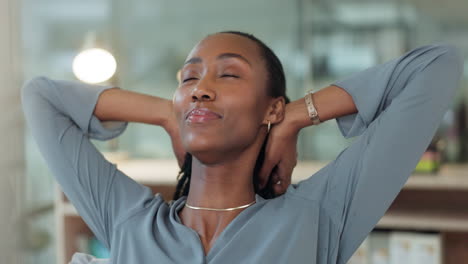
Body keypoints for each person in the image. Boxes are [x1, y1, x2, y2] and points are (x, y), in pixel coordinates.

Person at [21, 31, 463, 264]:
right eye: (189, 78)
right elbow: (40, 97)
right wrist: (166, 114)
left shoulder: (318, 216)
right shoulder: (129, 221)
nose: (200, 90)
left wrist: (294, 115)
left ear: (269, 108)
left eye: (228, 74)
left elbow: (435, 66)